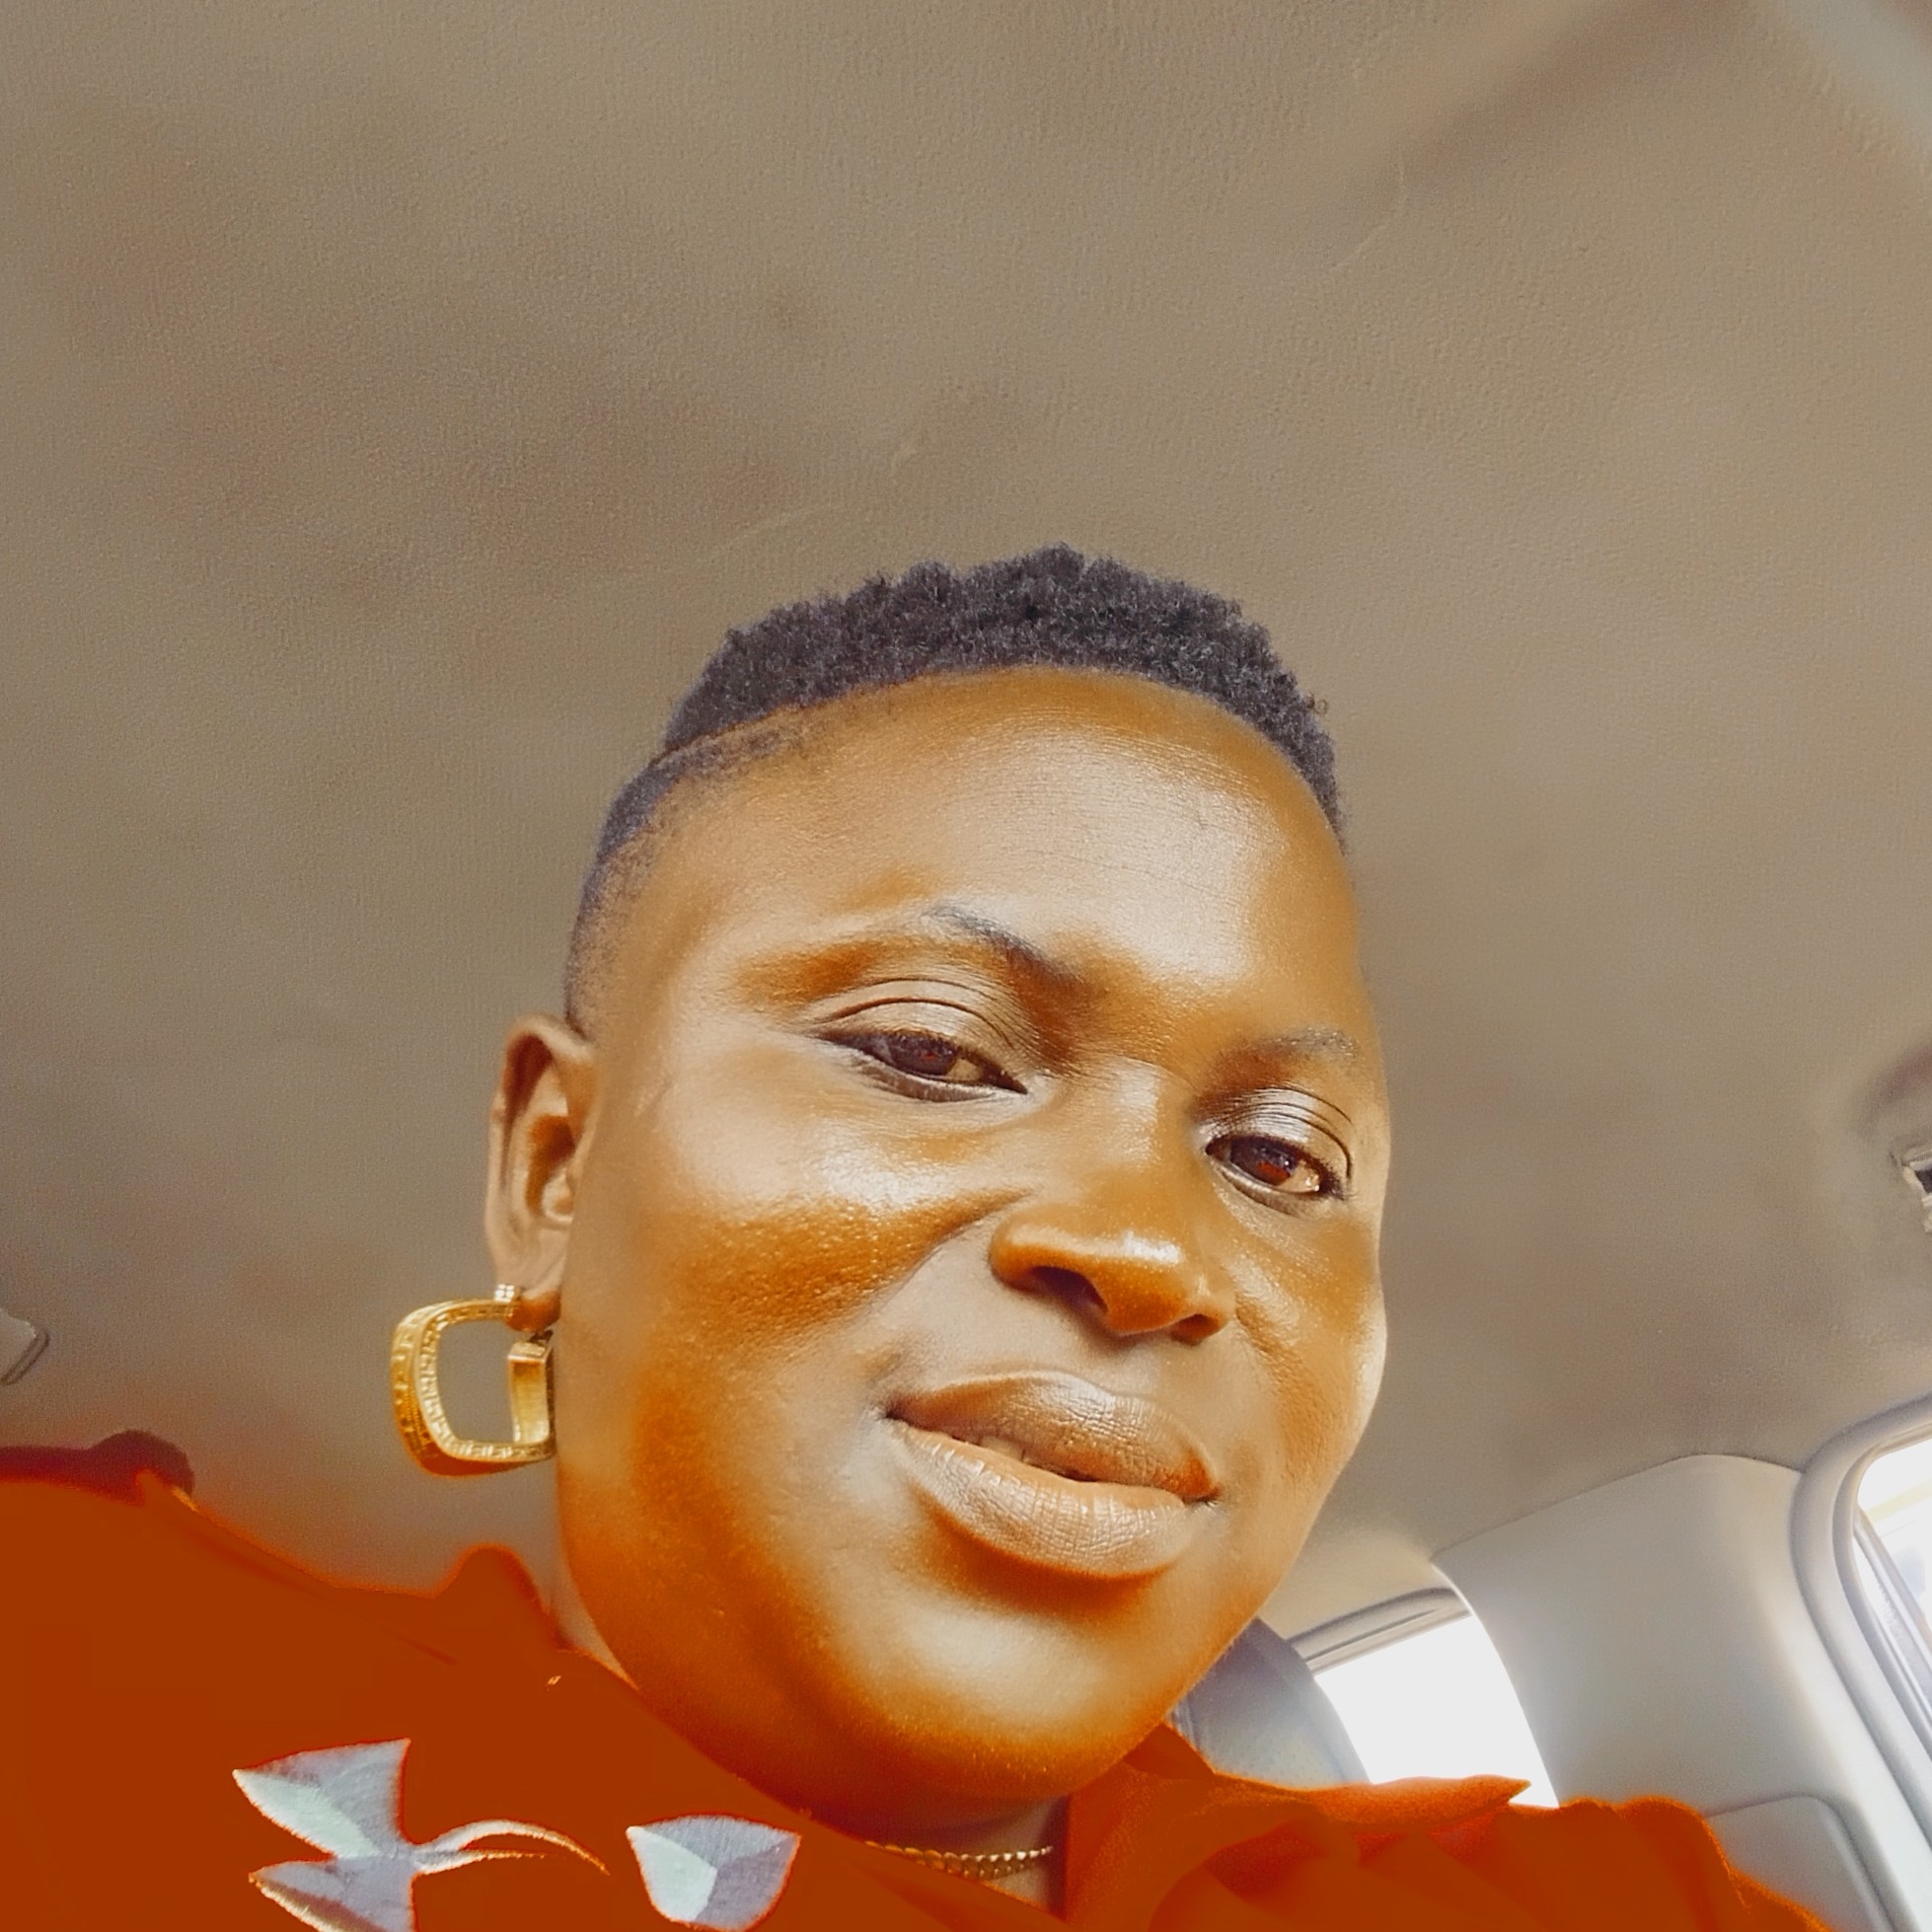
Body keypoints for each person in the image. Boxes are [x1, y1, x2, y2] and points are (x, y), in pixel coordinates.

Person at [1, 547, 1821, 1929]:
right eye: (933, 1052)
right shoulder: (70, 1673)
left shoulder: (1600, 1906)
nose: (1146, 1249)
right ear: (556, 1167)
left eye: (1276, 1157)